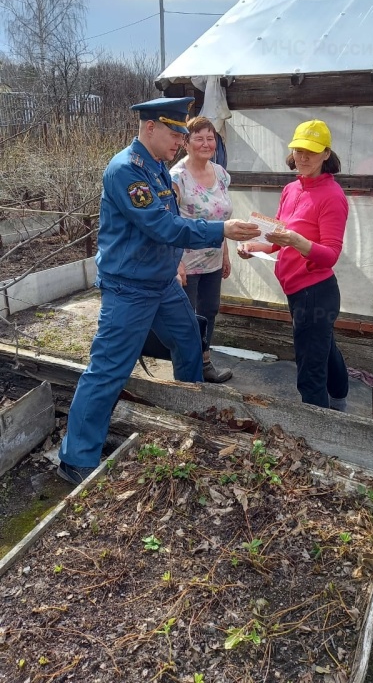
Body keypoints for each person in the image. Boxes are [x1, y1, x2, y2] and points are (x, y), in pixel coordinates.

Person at [57, 97, 260, 485]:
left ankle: (189, 419)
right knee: (108, 371)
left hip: (162, 282)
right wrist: (221, 230)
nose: (180, 141)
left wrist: (182, 259)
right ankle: (76, 457)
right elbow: (163, 228)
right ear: (150, 127)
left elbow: (171, 221)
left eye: (183, 133)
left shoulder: (158, 169)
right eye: (175, 133)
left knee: (188, 343)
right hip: (130, 288)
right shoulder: (125, 171)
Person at [238, 119, 349, 412]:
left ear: (326, 153)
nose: (303, 157)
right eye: (299, 150)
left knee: (310, 367)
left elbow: (330, 256)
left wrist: (299, 241)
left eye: (311, 151)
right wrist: (252, 246)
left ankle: (317, 432)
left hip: (315, 291)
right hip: (297, 290)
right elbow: (276, 241)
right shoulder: (291, 189)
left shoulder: (332, 196)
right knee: (322, 346)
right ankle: (340, 399)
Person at [170, 116, 233, 383]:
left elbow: (223, 219)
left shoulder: (220, 173)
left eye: (211, 138)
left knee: (209, 311)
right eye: (199, 137)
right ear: (186, 143)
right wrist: (175, 262)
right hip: (187, 261)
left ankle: (205, 363)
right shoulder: (177, 177)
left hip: (214, 259)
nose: (206, 143)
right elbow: (168, 223)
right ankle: (187, 371)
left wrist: (226, 253)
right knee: (188, 317)